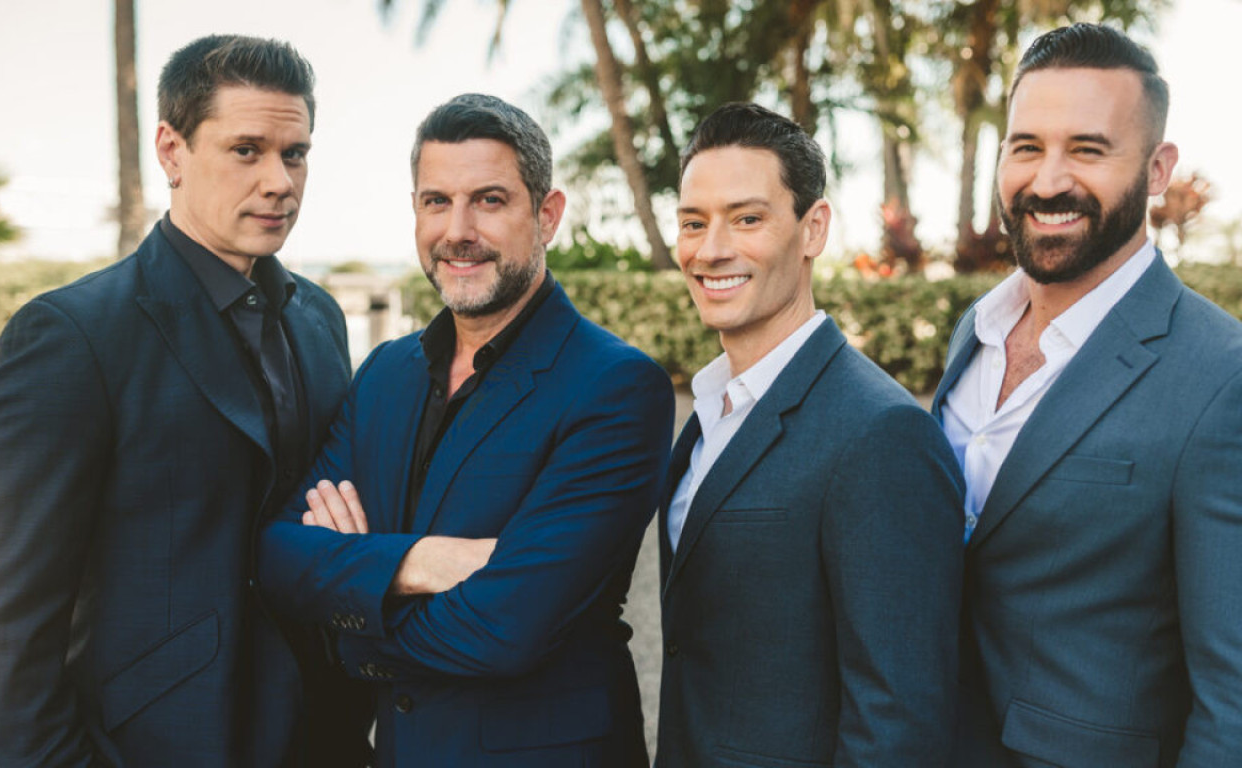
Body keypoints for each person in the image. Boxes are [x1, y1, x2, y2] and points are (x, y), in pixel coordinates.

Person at [0, 35, 370, 767]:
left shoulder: (319, 319)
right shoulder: (69, 337)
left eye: (296, 153)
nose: (280, 181)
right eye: (246, 150)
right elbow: (2, 645)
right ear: (171, 151)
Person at [257, 93, 673, 767]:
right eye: (436, 202)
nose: (457, 230)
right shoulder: (385, 373)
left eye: (489, 200)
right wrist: (418, 563)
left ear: (547, 214)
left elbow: (505, 629)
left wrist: (347, 613)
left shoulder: (616, 387)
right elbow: (277, 554)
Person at [934, 23, 1242, 768]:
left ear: (1158, 168)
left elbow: (1233, 700)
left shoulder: (1222, 377)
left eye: (1088, 149)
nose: (1047, 182)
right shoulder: (975, 329)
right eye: (1027, 146)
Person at [655, 102, 964, 767]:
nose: (710, 249)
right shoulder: (710, 410)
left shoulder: (881, 434)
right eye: (693, 222)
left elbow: (898, 720)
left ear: (813, 228)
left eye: (747, 219)